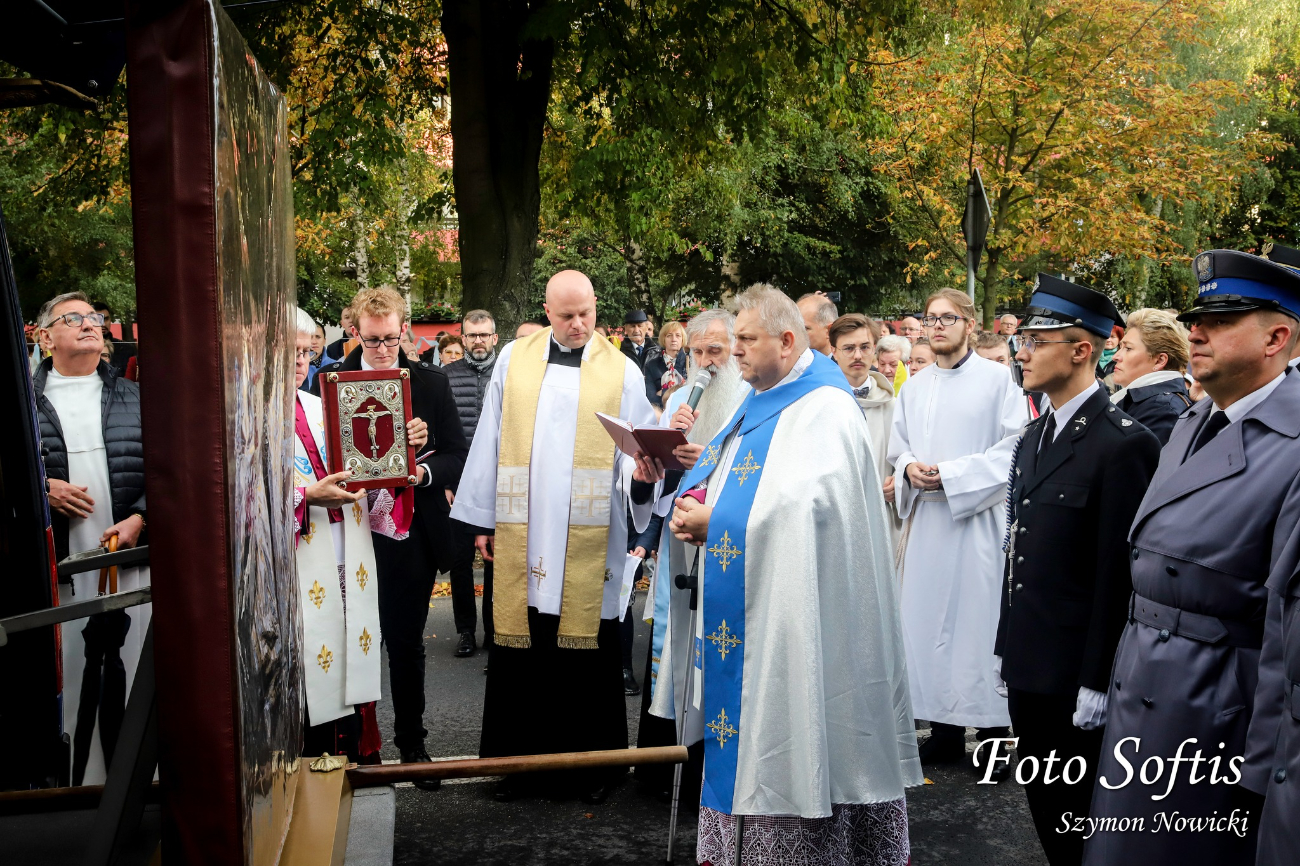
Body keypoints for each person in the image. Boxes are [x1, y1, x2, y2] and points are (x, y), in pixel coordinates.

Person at [668, 285, 921, 866]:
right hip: (760, 608)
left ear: (787, 341)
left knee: (800, 725)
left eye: (747, 341)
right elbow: (737, 472)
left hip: (806, 617)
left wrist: (720, 522)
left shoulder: (825, 407)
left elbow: (812, 507)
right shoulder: (761, 398)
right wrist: (698, 500)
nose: (735, 354)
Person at [1083, 249, 1300, 866]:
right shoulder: (1195, 419)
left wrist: (1261, 773)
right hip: (1145, 687)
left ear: (1277, 337)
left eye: (1221, 319)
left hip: (1218, 711)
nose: (1194, 331)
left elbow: (1289, 633)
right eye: (1196, 315)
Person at [449, 270, 661, 804]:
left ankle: (595, 769)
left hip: (591, 535)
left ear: (595, 306)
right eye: (566, 315)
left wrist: (641, 479)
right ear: (547, 311)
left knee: (587, 648)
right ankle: (519, 769)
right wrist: (483, 521)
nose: (578, 324)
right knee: (524, 646)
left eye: (586, 313)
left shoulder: (623, 372)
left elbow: (638, 453)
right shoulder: (513, 359)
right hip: (525, 527)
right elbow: (491, 438)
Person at [994, 277, 1161, 864]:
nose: (1023, 352)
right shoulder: (1035, 435)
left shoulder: (1124, 445)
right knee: (1045, 809)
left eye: (1037, 342)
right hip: (1031, 665)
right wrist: (1004, 644)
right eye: (1024, 342)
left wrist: (1098, 679)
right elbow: (1021, 547)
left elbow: (1119, 573)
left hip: (1075, 677)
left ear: (1082, 350)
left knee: (1081, 820)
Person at [312, 287, 467, 786]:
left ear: (405, 331)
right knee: (347, 638)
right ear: (355, 331)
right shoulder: (328, 384)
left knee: (404, 640)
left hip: (410, 529)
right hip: (348, 528)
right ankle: (352, 744)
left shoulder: (431, 382)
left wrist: (420, 468)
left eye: (392, 338)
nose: (382, 348)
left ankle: (413, 743)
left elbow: (456, 457)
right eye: (373, 338)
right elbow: (317, 456)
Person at [887, 288, 1028, 768]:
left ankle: (991, 736)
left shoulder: (997, 382)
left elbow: (1015, 449)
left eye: (948, 318)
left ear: (969, 323)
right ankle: (943, 730)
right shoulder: (915, 386)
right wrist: (908, 468)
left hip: (976, 524)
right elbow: (898, 444)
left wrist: (953, 475)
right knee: (926, 625)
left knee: (976, 625)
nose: (937, 326)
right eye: (931, 319)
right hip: (927, 523)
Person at [290, 307, 426, 764]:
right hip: (299, 555)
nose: (299, 362)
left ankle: (356, 753)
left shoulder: (317, 403)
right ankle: (315, 763)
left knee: (351, 647)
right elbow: (238, 495)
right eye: (287, 351)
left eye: (306, 352)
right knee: (308, 661)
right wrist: (305, 495)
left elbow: (362, 466)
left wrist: (402, 454)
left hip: (347, 544)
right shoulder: (243, 413)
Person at [34, 292, 149, 787]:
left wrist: (140, 520)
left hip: (128, 562)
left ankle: (141, 782)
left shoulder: (134, 397)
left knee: (135, 671)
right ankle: (77, 789)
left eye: (95, 318)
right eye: (74, 318)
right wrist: (42, 488)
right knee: (73, 677)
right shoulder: (23, 404)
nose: (89, 325)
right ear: (44, 338)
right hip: (59, 571)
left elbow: (166, 472)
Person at [641, 308, 751, 797]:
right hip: (682, 544)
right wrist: (660, 458)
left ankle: (718, 771)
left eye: (716, 351)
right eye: (697, 352)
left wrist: (706, 454)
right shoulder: (682, 398)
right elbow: (661, 484)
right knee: (677, 644)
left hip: (728, 542)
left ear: (735, 351)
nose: (705, 363)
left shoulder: (752, 397)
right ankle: (669, 767)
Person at [440, 310, 500, 658]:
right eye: (472, 335)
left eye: (484, 335)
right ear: (462, 339)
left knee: (495, 560)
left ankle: (495, 632)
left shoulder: (506, 375)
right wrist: (445, 481)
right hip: (457, 484)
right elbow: (439, 434)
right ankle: (465, 630)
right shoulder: (445, 377)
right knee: (460, 561)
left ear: (495, 338)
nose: (478, 341)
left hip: (496, 485)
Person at [829, 313, 901, 550]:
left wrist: (899, 482)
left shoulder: (893, 405)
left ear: (874, 351)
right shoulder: (820, 402)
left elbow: (905, 458)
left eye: (864, 347)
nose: (858, 355)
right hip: (834, 519)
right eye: (848, 348)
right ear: (834, 351)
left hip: (880, 516)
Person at [1109, 308, 1192, 445]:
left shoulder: (1162, 410)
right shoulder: (1147, 402)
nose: (1116, 356)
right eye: (1120, 348)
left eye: (1128, 348)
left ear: (1160, 360)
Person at [643, 320, 688, 409]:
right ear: (663, 339)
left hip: (685, 412)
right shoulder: (652, 365)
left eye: (678, 335)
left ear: (683, 339)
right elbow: (650, 397)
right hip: (660, 414)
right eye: (669, 336)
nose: (674, 339)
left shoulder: (690, 363)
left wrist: (662, 392)